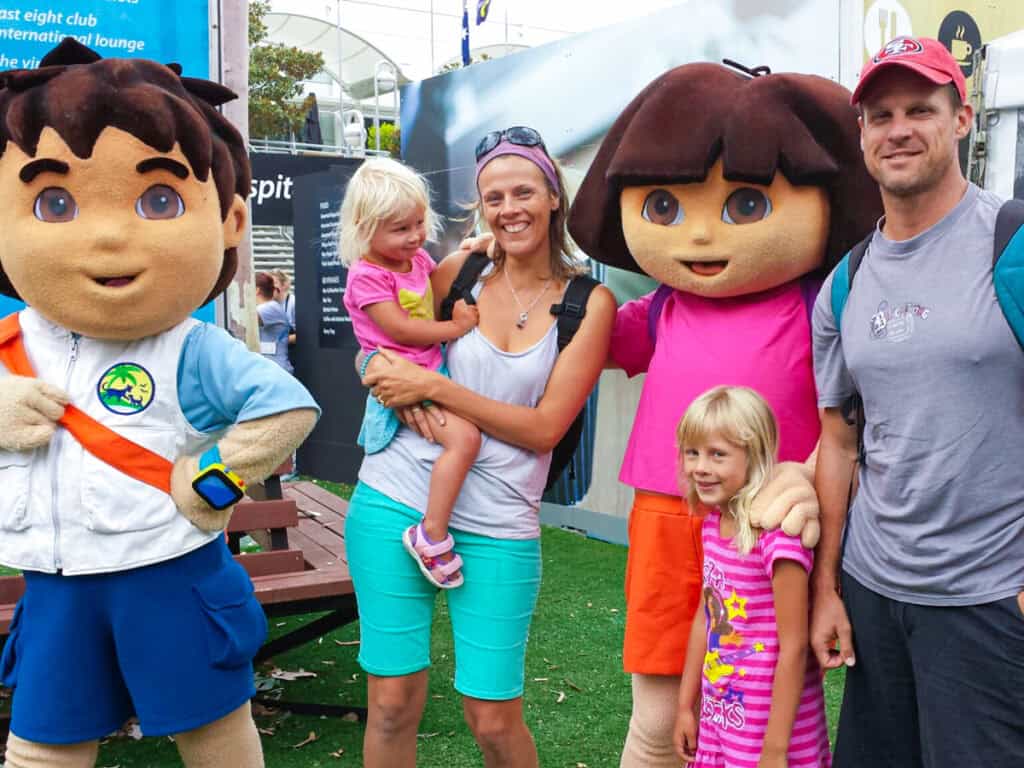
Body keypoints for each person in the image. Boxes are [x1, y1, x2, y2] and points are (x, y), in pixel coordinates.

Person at [0, 39, 318, 768]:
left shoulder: (189, 348)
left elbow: (286, 411)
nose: (108, 235)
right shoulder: (10, 345)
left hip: (169, 570)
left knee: (214, 735)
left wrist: (213, 476)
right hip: (54, 584)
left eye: (160, 200)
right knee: (43, 747)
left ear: (230, 221)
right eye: (54, 202)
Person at [566, 62, 881, 766]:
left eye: (743, 206)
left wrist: (807, 478)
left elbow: (863, 412)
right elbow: (586, 337)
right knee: (659, 706)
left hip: (768, 522)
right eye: (667, 209)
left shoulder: (820, 304)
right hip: (665, 511)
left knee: (769, 675)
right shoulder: (664, 310)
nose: (702, 236)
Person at [354, 127, 615, 768]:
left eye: (523, 191)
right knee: (390, 704)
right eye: (493, 197)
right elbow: (379, 338)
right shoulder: (456, 271)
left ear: (553, 196)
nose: (509, 209)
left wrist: (432, 387)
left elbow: (545, 428)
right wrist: (381, 374)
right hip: (394, 497)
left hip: (499, 522)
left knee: (493, 720)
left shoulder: (589, 303)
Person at [811, 36, 1024, 768]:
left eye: (921, 110)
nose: (898, 129)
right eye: (880, 114)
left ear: (962, 119)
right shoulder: (845, 281)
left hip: (990, 600)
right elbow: (838, 443)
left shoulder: (1013, 243)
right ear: (862, 133)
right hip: (875, 592)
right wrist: (827, 589)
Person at [340, 157, 482, 589]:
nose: (416, 236)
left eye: (419, 223)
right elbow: (401, 329)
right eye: (401, 229)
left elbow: (438, 284)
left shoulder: (416, 260)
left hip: (426, 371)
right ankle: (431, 531)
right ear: (366, 228)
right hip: (405, 376)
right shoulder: (367, 277)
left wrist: (473, 248)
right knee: (465, 438)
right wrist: (455, 328)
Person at [673, 386, 830, 768]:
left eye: (718, 455)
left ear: (754, 455)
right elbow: (706, 617)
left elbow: (794, 647)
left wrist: (775, 751)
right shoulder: (713, 525)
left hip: (769, 733)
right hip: (721, 720)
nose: (700, 467)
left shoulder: (777, 538)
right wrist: (685, 706)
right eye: (692, 452)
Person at [255, 271, 293, 373]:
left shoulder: (270, 307)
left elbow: (245, 319)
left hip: (277, 370)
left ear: (256, 290)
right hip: (270, 369)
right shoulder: (271, 306)